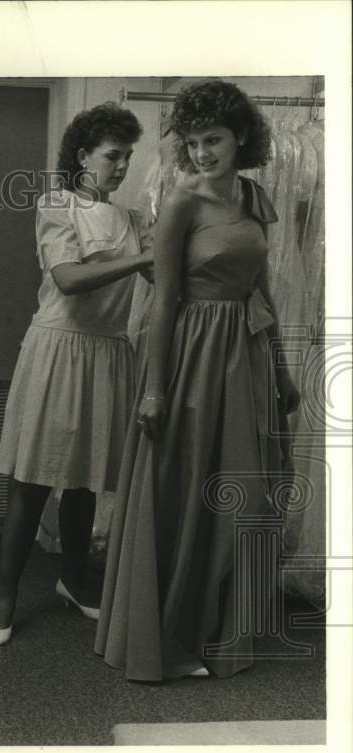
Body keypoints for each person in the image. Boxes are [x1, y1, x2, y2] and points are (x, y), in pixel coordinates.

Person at [94, 80, 300, 681]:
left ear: (240, 136)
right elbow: (162, 302)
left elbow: (262, 289)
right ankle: (173, 635)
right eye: (193, 142)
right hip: (191, 354)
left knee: (245, 495)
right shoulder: (182, 201)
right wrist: (155, 388)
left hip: (249, 354)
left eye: (213, 139)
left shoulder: (254, 195)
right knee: (186, 487)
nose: (204, 152)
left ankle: (219, 626)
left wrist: (283, 370)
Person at [0, 103, 154, 645]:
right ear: (82, 156)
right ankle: (6, 593)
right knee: (33, 480)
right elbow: (69, 279)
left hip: (109, 352)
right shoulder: (57, 205)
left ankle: (75, 582)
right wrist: (135, 262)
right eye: (113, 154)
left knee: (85, 482)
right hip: (59, 351)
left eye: (128, 155)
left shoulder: (133, 219)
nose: (122, 165)